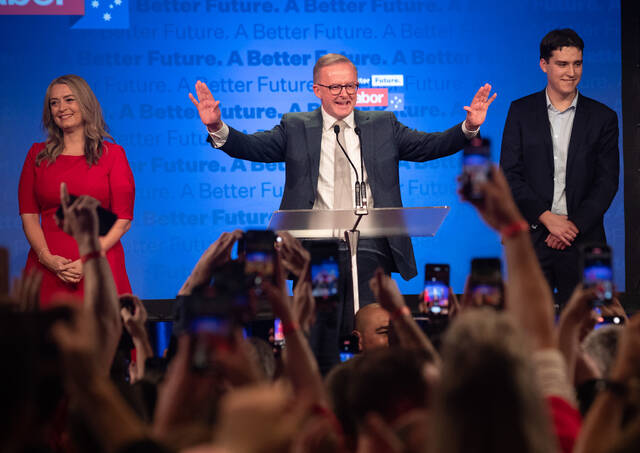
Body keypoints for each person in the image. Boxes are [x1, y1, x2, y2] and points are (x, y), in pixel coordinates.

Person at [190, 53, 495, 371]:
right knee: (324, 331)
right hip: (317, 251)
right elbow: (253, 147)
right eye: (335, 87)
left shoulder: (382, 124)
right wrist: (217, 126)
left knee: (369, 330)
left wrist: (468, 127)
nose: (344, 93)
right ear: (316, 89)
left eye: (351, 85)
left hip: (369, 246)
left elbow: (430, 146)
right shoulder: (295, 127)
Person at [500, 29, 619, 307]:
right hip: (532, 237)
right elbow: (510, 174)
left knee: (584, 332)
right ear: (544, 65)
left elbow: (607, 182)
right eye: (562, 64)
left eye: (577, 64)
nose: (571, 72)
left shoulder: (603, 118)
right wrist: (547, 218)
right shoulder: (520, 111)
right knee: (529, 334)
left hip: (583, 239)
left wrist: (571, 225)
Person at [18, 74, 135, 306]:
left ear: (85, 103)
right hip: (47, 268)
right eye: (54, 102)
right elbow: (29, 215)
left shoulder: (113, 155)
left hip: (100, 265)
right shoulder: (36, 155)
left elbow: (123, 220)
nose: (61, 108)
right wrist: (47, 258)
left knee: (101, 341)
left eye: (69, 100)